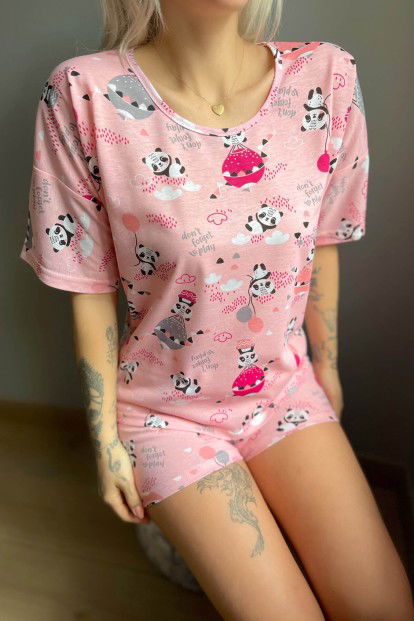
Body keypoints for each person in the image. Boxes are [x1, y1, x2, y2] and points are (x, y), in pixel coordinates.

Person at [19, 1, 414, 619]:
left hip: (281, 389)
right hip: (166, 416)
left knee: (385, 608)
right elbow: (86, 284)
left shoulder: (326, 77)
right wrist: (106, 441)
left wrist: (327, 368)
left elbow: (324, 240)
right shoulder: (84, 95)